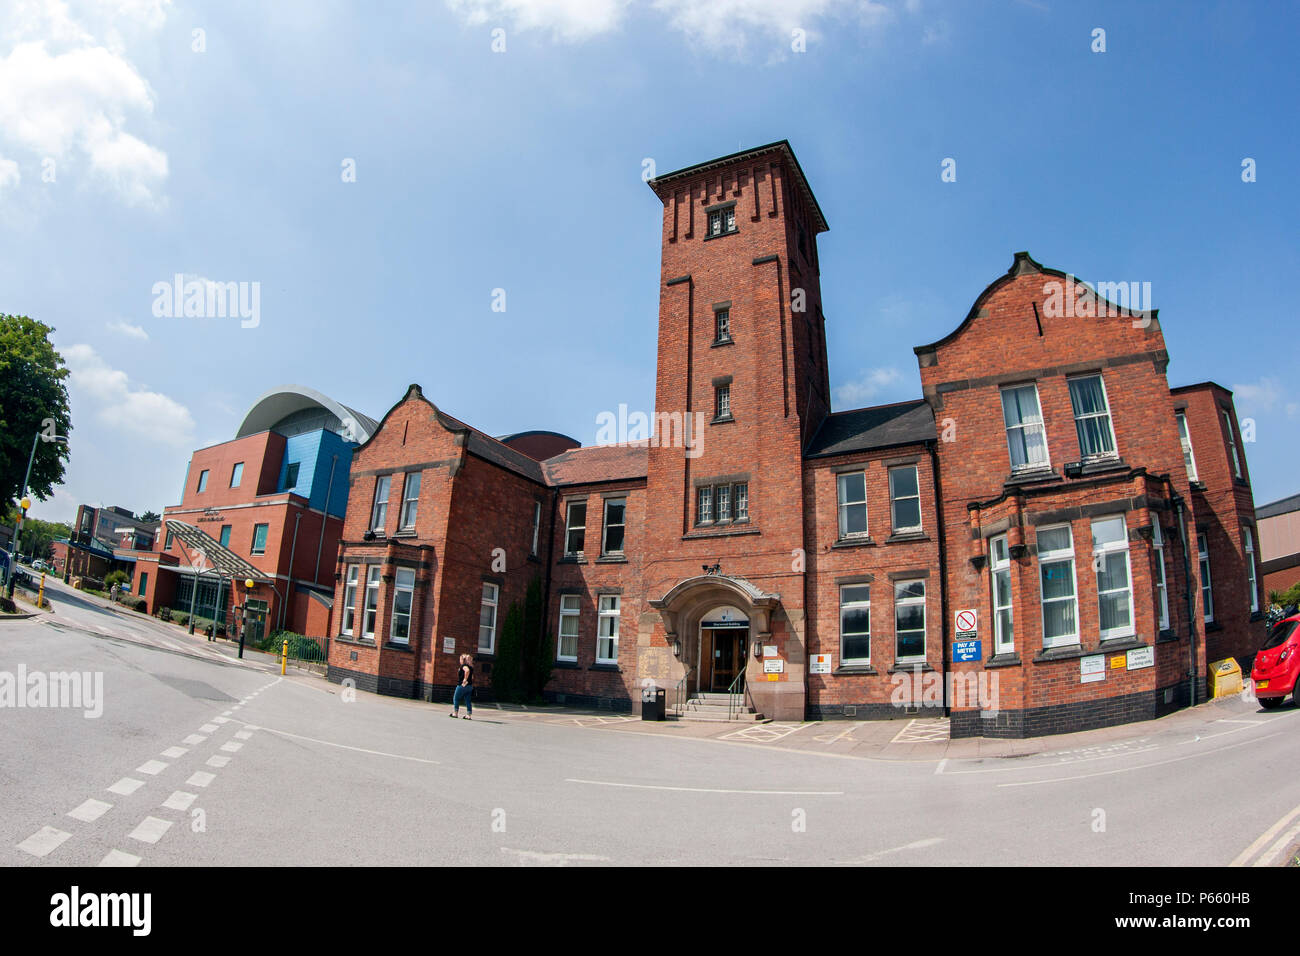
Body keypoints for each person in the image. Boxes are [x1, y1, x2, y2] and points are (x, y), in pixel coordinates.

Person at [451, 653, 474, 719]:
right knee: (468, 700)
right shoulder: (471, 667)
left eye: (460, 659)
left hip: (462, 685)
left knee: (456, 698)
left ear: (462, 660)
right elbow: (472, 677)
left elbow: (467, 671)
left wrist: (464, 679)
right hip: (469, 686)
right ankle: (468, 715)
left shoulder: (464, 666)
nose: (459, 660)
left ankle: (455, 713)